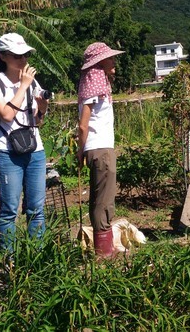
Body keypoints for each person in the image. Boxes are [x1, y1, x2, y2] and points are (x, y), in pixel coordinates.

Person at [0, 33, 49, 258]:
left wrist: (43, 106)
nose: (23, 60)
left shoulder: (33, 83)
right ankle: (9, 260)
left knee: (36, 209)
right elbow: (7, 115)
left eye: (26, 55)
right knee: (9, 209)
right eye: (18, 55)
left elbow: (37, 121)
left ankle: (35, 258)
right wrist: (24, 85)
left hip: (34, 150)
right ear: (3, 56)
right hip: (7, 152)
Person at [77, 42, 125, 258]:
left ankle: (102, 247)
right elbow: (83, 124)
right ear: (99, 62)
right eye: (109, 58)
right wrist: (80, 150)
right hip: (100, 148)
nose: (114, 61)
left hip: (98, 148)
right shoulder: (94, 83)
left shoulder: (96, 84)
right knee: (104, 200)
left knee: (100, 197)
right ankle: (104, 251)